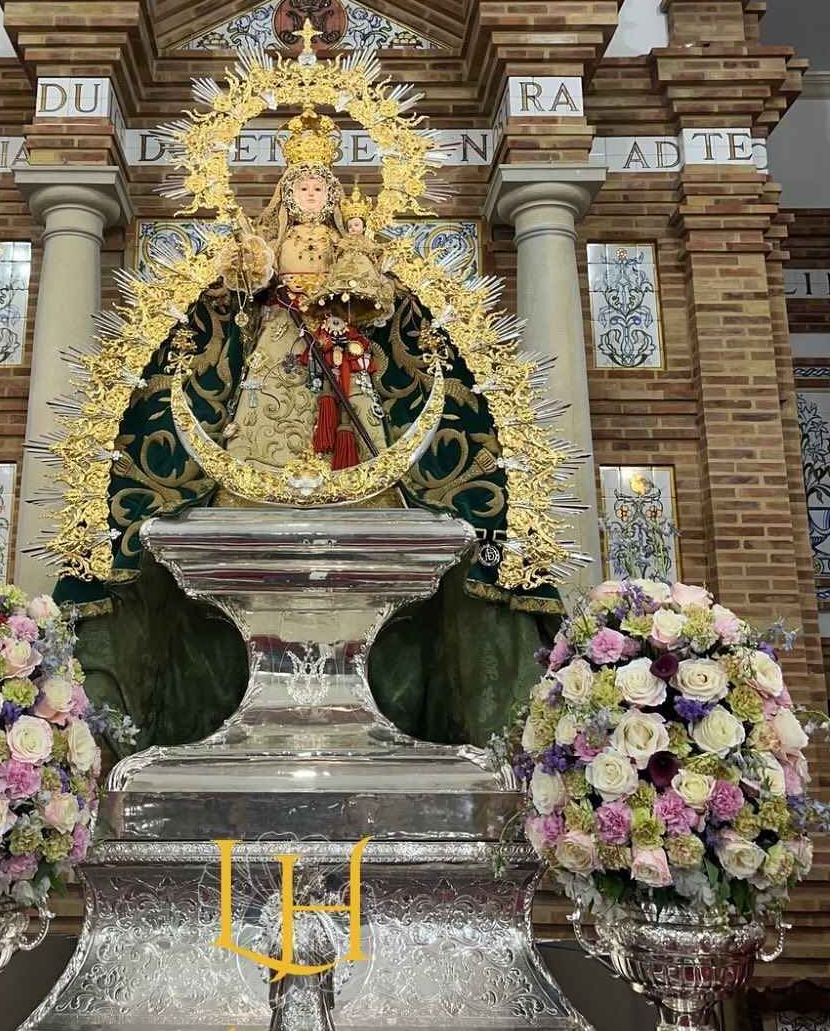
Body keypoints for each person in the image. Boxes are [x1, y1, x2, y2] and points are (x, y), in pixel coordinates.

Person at [56, 110, 561, 750]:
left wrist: (350, 279)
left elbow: (378, 294)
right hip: (277, 355)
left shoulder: (353, 244)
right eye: (302, 186)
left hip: (342, 362)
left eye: (322, 185)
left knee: (352, 414)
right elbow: (239, 289)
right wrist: (248, 267)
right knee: (266, 406)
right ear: (286, 191)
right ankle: (262, 491)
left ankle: (350, 487)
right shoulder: (268, 241)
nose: (312, 196)